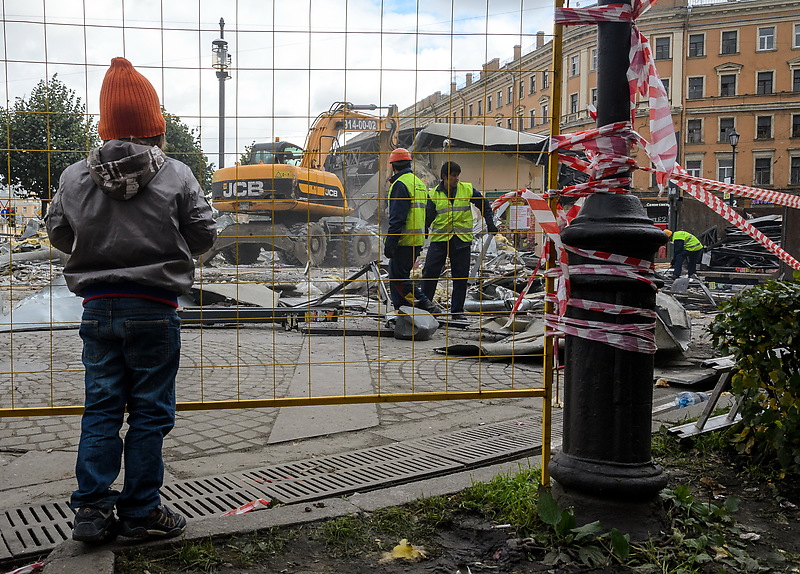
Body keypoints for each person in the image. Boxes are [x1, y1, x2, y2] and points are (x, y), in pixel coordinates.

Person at [45, 57, 216, 543]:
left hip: (98, 309)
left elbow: (59, 232)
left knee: (101, 408)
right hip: (156, 311)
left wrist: (97, 248)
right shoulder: (177, 174)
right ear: (154, 125)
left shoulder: (74, 177)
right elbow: (203, 233)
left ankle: (92, 512)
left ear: (105, 126)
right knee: (149, 413)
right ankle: (141, 512)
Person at [421, 161, 498, 320]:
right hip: (440, 239)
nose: (456, 179)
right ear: (444, 177)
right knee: (429, 273)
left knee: (460, 276)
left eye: (457, 175)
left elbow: (484, 204)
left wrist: (490, 223)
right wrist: (423, 235)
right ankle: (426, 309)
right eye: (453, 176)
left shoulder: (467, 189)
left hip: (461, 240)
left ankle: (457, 311)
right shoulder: (433, 194)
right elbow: (428, 217)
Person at [383, 148, 440, 313]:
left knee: (399, 278)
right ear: (409, 163)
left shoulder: (400, 185)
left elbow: (397, 218)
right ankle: (402, 310)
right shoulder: (418, 183)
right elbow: (431, 210)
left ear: (393, 166)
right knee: (398, 277)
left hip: (404, 240)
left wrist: (390, 243)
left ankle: (424, 303)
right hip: (417, 239)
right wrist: (424, 230)